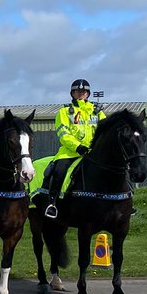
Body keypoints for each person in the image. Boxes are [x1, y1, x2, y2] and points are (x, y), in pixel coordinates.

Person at [42, 78, 106, 217]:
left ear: (88, 94)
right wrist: (78, 147)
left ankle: (125, 200)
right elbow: (63, 134)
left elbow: (105, 132)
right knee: (59, 171)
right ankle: (52, 203)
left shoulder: (98, 112)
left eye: (84, 91)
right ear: (72, 94)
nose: (81, 94)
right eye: (77, 91)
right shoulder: (65, 112)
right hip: (70, 153)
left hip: (93, 153)